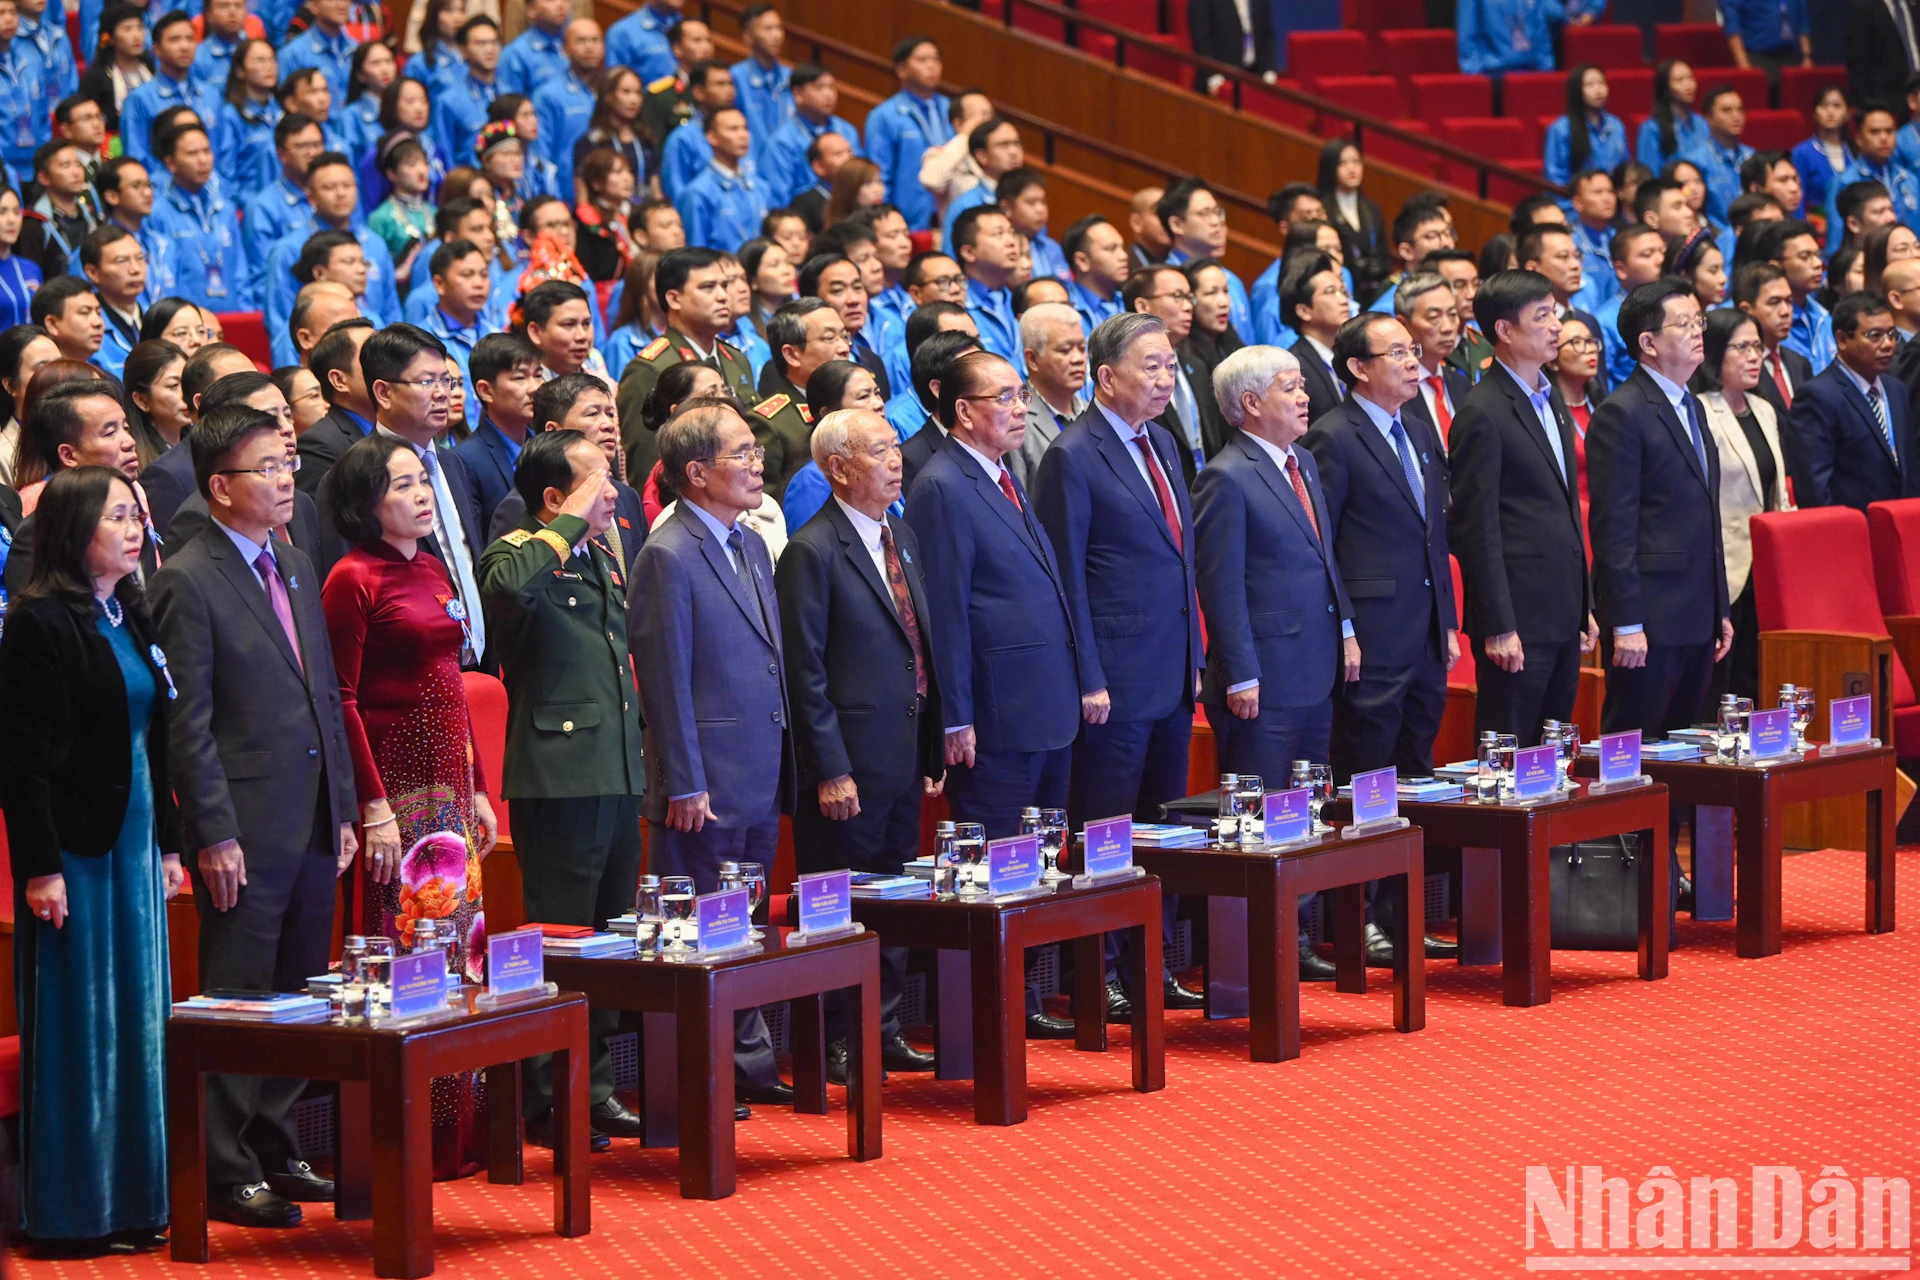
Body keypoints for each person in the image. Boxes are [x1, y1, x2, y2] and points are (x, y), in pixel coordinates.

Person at [151, 403, 357, 1228]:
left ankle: (278, 1142)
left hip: (311, 818)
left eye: (287, 465)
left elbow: (322, 696)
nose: (285, 480)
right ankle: (224, 1165)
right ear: (219, 486)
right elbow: (185, 725)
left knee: (300, 991)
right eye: (267, 469)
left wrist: (344, 806)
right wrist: (213, 831)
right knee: (239, 998)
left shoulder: (296, 561)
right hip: (242, 826)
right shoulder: (188, 577)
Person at [0, 465, 184, 1254]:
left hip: (137, 845)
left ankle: (139, 1203)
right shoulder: (40, 623)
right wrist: (39, 868)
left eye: (137, 514)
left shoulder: (130, 610)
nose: (136, 526)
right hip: (74, 850)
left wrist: (172, 846)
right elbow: (22, 763)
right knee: (82, 1028)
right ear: (76, 532)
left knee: (141, 1026)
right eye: (119, 516)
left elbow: (160, 738)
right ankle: (76, 1214)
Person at [319, 432, 496, 1179]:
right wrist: (374, 805)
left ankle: (464, 1132)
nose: (422, 493)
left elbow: (452, 683)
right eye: (402, 485)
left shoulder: (431, 566)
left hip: (450, 795)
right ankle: (407, 1137)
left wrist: (481, 784)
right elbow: (343, 699)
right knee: (405, 951)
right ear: (367, 503)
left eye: (422, 479)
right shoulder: (352, 579)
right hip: (398, 798)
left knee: (462, 953)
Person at [478, 427, 649, 1148]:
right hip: (560, 778)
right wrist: (566, 526)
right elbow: (507, 593)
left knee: (608, 942)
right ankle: (553, 1099)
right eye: (594, 481)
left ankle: (597, 1086)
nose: (613, 491)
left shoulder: (601, 554)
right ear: (554, 498)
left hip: (614, 772)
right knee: (564, 944)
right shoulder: (520, 552)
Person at [902, 350, 1082, 1036]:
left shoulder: (1005, 474)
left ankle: (1025, 995)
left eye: (1020, 395)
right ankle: (985, 1009)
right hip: (997, 714)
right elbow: (944, 613)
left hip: (1045, 704)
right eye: (1004, 397)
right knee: (993, 863)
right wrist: (957, 716)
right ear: (965, 411)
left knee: (1035, 862)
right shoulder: (944, 486)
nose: (1021, 407)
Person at [1032, 311, 1204, 1016]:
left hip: (1169, 673)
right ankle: (1092, 971)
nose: (1166, 379)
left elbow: (1179, 558)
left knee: (1156, 831)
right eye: (1152, 367)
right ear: (1107, 377)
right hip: (1113, 680)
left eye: (1170, 366)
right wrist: (1088, 676)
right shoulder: (1073, 455)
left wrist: (1196, 654)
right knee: (1105, 831)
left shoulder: (1161, 441)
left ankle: (1148, 965)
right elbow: (1066, 578)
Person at [629, 400, 797, 1099]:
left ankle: (749, 1066)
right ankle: (700, 1078)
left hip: (760, 767)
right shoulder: (668, 554)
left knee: (743, 924)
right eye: (742, 454)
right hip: (706, 783)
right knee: (698, 930)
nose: (758, 464)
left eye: (757, 451)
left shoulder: (751, 540)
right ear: (696, 473)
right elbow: (665, 681)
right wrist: (683, 782)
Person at [773, 406, 942, 1081]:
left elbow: (918, 647)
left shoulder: (899, 533)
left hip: (900, 754)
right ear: (837, 468)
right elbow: (804, 673)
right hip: (847, 766)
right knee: (839, 905)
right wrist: (831, 768)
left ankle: (885, 1026)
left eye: (896, 447)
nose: (895, 460)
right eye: (878, 451)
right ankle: (838, 1038)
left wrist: (932, 745)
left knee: (892, 899)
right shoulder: (812, 550)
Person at [1193, 344, 1350, 981]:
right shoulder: (1225, 476)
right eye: (1291, 387)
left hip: (1315, 664)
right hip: (1263, 675)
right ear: (1251, 404)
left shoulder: (1303, 462)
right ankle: (1251, 947)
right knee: (1259, 814)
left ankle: (1299, 933)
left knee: (1306, 808)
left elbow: (1323, 558)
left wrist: (1345, 629)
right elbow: (1220, 584)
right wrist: (1243, 672)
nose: (1305, 396)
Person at [1448, 271, 1598, 745]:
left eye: (1554, 312)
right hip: (1517, 617)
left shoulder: (1549, 399)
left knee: (1553, 750)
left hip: (1560, 608)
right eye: (1542, 316)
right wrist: (1497, 625)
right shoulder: (1483, 410)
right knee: (1509, 749)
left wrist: (1584, 605)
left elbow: (1566, 510)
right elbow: (1478, 527)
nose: (1556, 326)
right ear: (1505, 331)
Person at [1588, 279, 1733, 750]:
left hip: (1696, 613)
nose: (1698, 332)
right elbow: (1614, 529)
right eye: (1684, 323)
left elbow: (1704, 518)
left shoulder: (1691, 405)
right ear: (1647, 342)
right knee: (1634, 748)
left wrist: (1720, 608)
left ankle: (1669, 829)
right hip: (1649, 618)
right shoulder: (1622, 413)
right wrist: (1626, 623)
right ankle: (1622, 829)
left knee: (1685, 752)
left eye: (1700, 321)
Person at [1693, 306, 1791, 708]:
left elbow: (1776, 493)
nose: (1754, 356)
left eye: (1757, 347)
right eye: (1742, 347)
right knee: (1722, 678)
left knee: (1758, 672)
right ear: (1716, 353)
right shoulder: (1701, 410)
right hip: (1723, 563)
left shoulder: (1764, 409)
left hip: (1766, 566)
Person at [616, 245, 756, 481]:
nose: (723, 296)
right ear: (674, 298)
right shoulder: (650, 368)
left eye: (724, 285)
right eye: (708, 287)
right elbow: (645, 468)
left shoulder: (736, 359)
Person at [161, 370, 322, 559]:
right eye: (269, 419)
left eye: (287, 415)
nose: (286, 428)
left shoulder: (301, 503)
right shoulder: (197, 519)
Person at [1787, 289, 1919, 508]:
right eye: (1874, 335)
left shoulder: (1896, 390)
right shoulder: (1817, 396)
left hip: (1900, 525)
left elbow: (1910, 467)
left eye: (1891, 334)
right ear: (1842, 339)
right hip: (1852, 530)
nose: (1887, 344)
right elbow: (1813, 487)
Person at [451, 331, 541, 521]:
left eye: (538, 375)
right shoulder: (465, 460)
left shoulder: (546, 447)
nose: (535, 387)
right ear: (485, 391)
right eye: (520, 378)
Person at [863, 37, 951, 230]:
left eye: (936, 60)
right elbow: (879, 174)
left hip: (951, 213)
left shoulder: (951, 109)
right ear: (901, 70)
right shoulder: (884, 116)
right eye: (922, 60)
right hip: (910, 222)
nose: (932, 66)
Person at [1009, 301, 1087, 488]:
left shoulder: (1093, 409)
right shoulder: (1014, 419)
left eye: (1082, 348)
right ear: (1033, 359)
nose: (1078, 359)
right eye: (1065, 350)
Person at [761, 62, 861, 205]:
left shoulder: (847, 131)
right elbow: (779, 199)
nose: (829, 94)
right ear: (797, 94)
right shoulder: (781, 142)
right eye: (819, 88)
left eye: (832, 87)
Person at [1396, 271, 1470, 451]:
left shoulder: (1461, 384)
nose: (1447, 327)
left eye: (1452, 314)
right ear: (1403, 324)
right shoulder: (1393, 391)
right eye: (1434, 317)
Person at [1283, 251, 1349, 426]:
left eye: (1343, 291)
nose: (1343, 300)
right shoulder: (1295, 366)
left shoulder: (1349, 355)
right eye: (1330, 292)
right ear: (1304, 310)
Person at [1315, 139, 1388, 298]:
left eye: (1356, 161)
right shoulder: (1323, 210)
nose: (1352, 168)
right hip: (1340, 288)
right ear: (1331, 166)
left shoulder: (1372, 209)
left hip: (1374, 290)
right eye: (1343, 163)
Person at [1544, 66, 1629, 190]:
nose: (1598, 90)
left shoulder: (1616, 125)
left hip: (1613, 201)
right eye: (1589, 85)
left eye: (1601, 83)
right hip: (1576, 204)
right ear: (1576, 90)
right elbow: (1555, 179)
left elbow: (1625, 170)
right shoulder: (1561, 129)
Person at [123, 337, 187, 467]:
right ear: (142, 400)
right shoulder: (135, 462)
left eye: (187, 381)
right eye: (173, 385)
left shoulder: (202, 443)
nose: (187, 393)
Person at [1721, 0, 1812, 92]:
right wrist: (1744, 66)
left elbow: (1803, 24)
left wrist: (1806, 57)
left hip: (1791, 56)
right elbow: (1733, 29)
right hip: (1756, 57)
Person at [1640, 60, 1710, 173]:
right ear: (1665, 87)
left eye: (1690, 78)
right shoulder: (1652, 127)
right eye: (1679, 80)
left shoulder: (1702, 123)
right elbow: (1649, 172)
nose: (1688, 85)